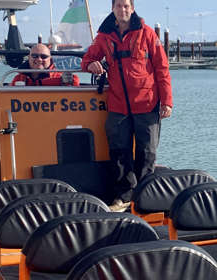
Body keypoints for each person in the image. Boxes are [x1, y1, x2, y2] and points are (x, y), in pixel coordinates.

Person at [82, 0, 173, 212]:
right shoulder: (104, 37)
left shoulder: (147, 33)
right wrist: (91, 65)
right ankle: (123, 197)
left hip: (147, 104)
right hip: (118, 105)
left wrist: (167, 101)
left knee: (147, 152)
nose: (122, 10)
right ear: (113, 9)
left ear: (132, 9)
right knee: (119, 152)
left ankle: (146, 198)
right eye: (118, 6)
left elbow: (162, 69)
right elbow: (87, 59)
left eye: (126, 6)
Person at [11, 43, 79, 86]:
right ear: (29, 57)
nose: (39, 59)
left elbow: (75, 83)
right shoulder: (19, 78)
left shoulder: (58, 76)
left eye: (44, 57)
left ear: (50, 58)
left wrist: (67, 81)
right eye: (35, 56)